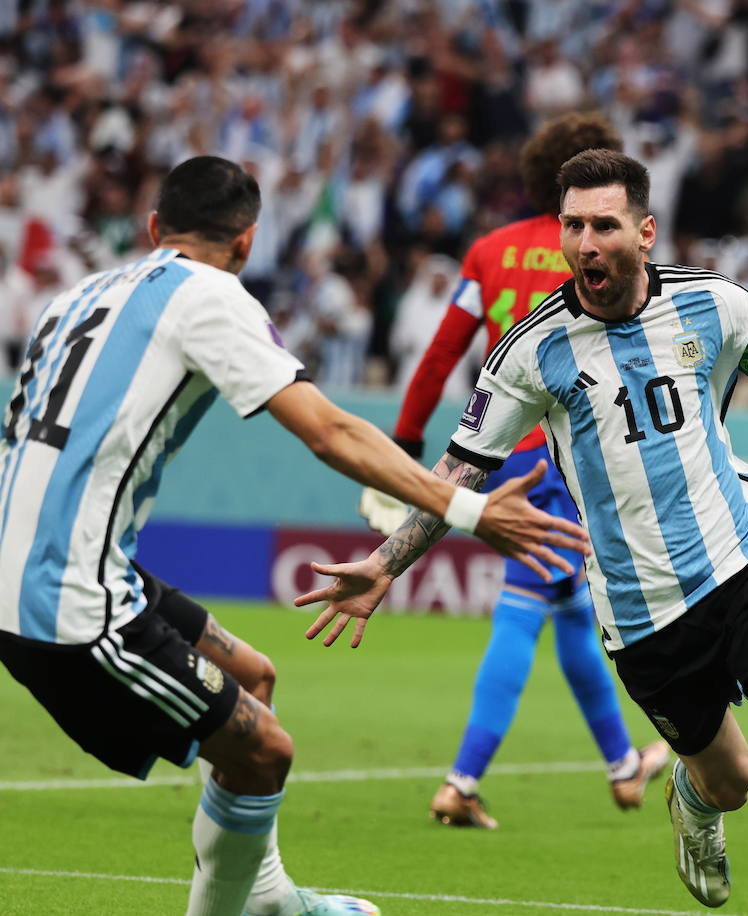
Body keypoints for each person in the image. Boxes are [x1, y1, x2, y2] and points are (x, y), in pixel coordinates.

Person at [298, 149, 748, 916]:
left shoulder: (714, 305)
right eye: (573, 227)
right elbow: (459, 470)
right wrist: (388, 563)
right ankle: (694, 804)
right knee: (731, 780)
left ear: (646, 232)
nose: (586, 244)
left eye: (604, 226)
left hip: (743, 552)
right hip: (640, 607)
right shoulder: (531, 351)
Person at [0, 156, 587, 916]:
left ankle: (266, 894)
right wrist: (466, 509)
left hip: (51, 560)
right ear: (246, 244)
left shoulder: (74, 296)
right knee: (267, 750)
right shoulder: (210, 294)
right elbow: (328, 430)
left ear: (153, 228)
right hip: (63, 595)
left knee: (255, 681)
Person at [359, 112, 669, 829]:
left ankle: (623, 767)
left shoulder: (490, 251)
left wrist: (406, 443)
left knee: (565, 610)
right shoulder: (614, 246)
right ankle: (461, 781)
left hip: (501, 455)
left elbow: (441, 353)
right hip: (576, 454)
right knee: (529, 606)